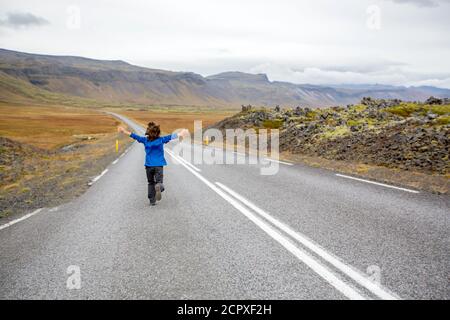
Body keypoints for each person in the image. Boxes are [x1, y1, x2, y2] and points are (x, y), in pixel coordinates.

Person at [118, 123, 188, 206]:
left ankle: (152, 200)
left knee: (150, 183)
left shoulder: (145, 140)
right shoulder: (161, 140)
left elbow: (134, 136)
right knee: (159, 182)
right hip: (158, 165)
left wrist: (124, 131)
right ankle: (158, 186)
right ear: (158, 133)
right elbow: (171, 136)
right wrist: (181, 133)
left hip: (148, 166)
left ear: (148, 132)